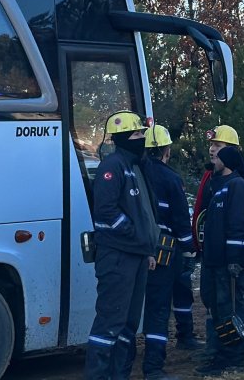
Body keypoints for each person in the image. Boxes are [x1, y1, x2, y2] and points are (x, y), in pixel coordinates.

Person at [86, 111, 160, 380]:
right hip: (118, 257)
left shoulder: (137, 167)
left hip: (137, 256)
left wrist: (147, 249)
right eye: (137, 134)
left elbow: (147, 213)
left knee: (129, 325)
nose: (142, 138)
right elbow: (105, 211)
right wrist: (133, 235)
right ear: (124, 138)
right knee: (110, 323)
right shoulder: (113, 166)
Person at [196, 143, 244, 376]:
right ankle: (221, 354)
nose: (214, 159)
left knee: (230, 308)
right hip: (215, 262)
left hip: (229, 264)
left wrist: (234, 259)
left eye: (218, 156)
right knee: (219, 308)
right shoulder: (220, 186)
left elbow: (237, 225)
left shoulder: (238, 186)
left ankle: (234, 357)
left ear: (227, 162)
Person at [140, 124, 195, 380]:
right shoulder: (172, 179)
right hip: (164, 252)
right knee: (159, 309)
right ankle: (153, 368)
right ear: (167, 151)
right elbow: (182, 222)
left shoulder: (134, 172)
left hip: (134, 250)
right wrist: (189, 251)